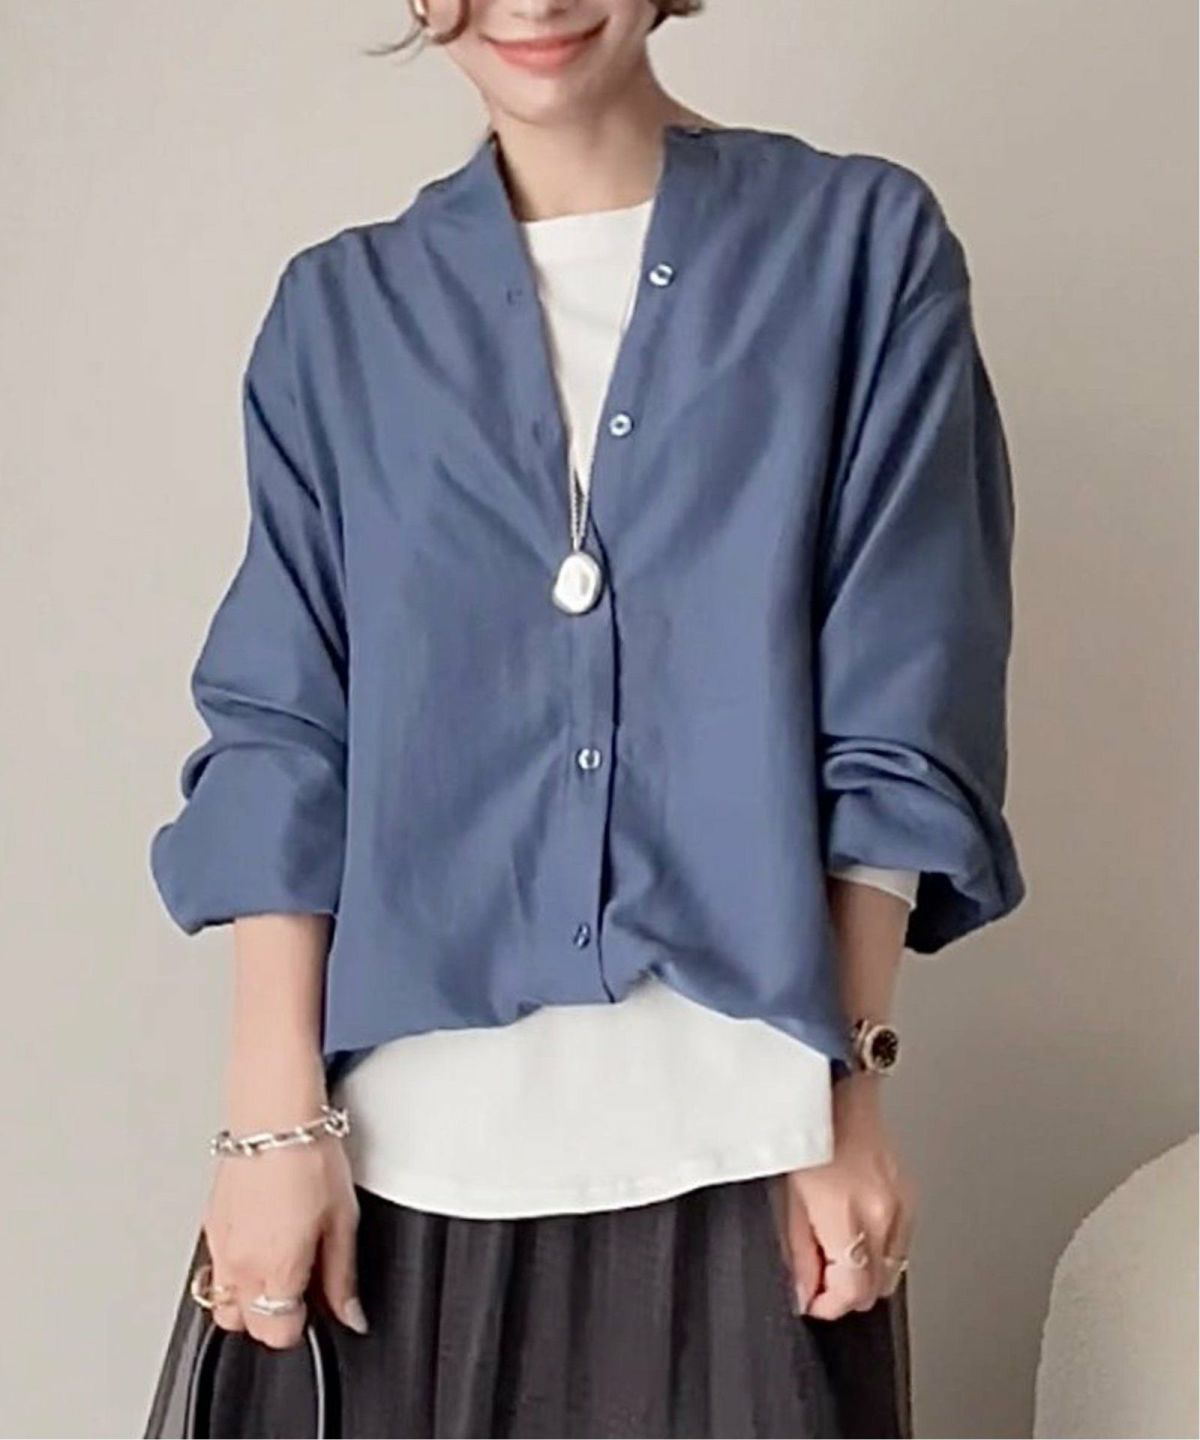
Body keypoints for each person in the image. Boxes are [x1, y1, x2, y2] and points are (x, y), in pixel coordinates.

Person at [143, 1, 1026, 1436]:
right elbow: (284, 725)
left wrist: (844, 1088)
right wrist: (264, 1125)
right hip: (390, 1177)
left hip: (744, 1158)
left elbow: (905, 683)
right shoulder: (339, 315)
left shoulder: (859, 249)